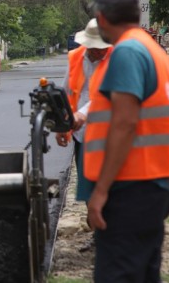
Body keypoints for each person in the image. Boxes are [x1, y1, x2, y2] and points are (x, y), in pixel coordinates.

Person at [84, 0, 169, 283]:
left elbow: (125, 123)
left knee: (119, 274)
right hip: (153, 184)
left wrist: (101, 191)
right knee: (144, 272)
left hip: (131, 186)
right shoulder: (150, 48)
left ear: (102, 18)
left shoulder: (127, 52)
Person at [55, 18, 112, 205]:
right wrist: (61, 125)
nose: (100, 52)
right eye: (96, 48)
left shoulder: (116, 59)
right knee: (87, 183)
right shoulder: (76, 58)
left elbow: (107, 95)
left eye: (103, 47)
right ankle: (95, 222)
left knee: (108, 184)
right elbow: (65, 94)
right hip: (82, 135)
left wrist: (82, 114)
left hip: (108, 134)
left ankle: (106, 224)